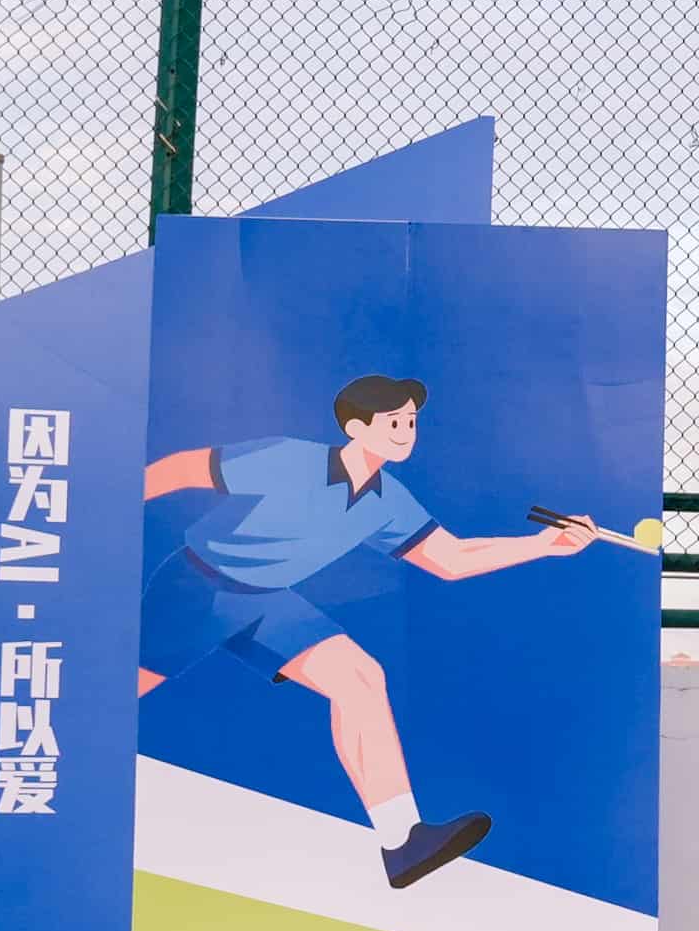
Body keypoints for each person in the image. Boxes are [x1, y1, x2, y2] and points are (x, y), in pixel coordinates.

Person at [138, 374, 595, 887]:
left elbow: (450, 558)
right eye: (393, 422)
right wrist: (112, 508)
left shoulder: (388, 499)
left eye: (411, 422)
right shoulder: (291, 458)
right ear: (356, 427)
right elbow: (183, 468)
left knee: (360, 678)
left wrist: (543, 545)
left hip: (264, 600)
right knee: (120, 694)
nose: (405, 432)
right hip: (196, 587)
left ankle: (402, 843)